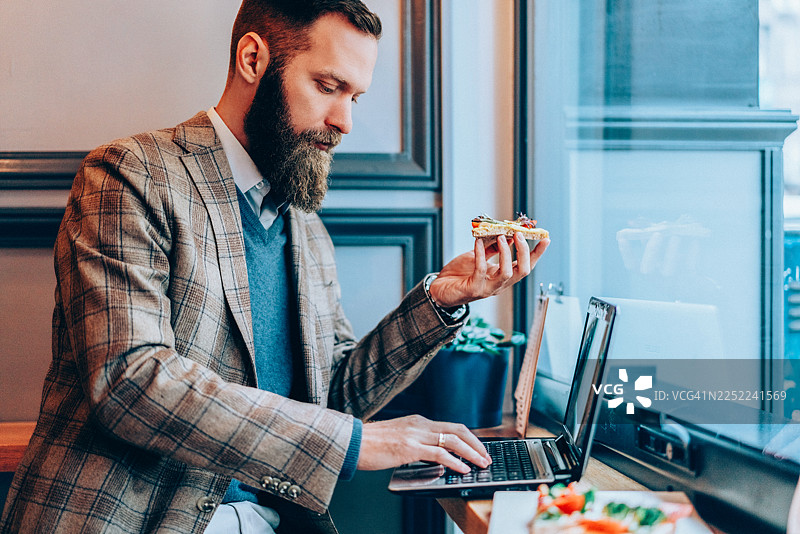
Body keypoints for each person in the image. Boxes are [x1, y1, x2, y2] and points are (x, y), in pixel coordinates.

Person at [0, 1, 549, 533]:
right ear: (252, 59)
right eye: (328, 87)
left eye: (355, 96)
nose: (345, 122)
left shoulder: (305, 228)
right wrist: (357, 443)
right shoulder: (130, 176)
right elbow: (131, 382)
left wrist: (443, 300)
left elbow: (332, 399)